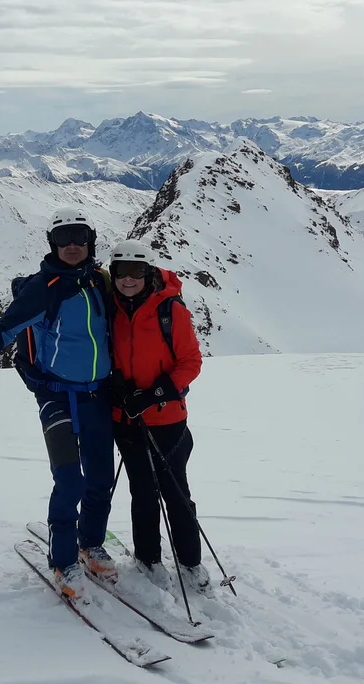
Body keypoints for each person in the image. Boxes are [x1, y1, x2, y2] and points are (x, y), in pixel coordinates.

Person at [0, 207, 118, 600]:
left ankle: (91, 544)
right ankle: (63, 561)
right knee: (70, 480)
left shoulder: (101, 282)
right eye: (63, 238)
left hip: (98, 394)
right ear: (52, 243)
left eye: (79, 237)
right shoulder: (43, 288)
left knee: (101, 479)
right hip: (56, 395)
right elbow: (3, 330)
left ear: (90, 241)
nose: (71, 245)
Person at [105, 239, 211, 593]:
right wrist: (116, 386)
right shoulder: (110, 307)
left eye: (136, 271)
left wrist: (155, 394)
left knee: (176, 492)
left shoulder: (170, 309)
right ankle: (148, 557)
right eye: (121, 271)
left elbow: (190, 362)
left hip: (167, 420)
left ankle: (190, 561)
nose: (128, 279)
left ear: (148, 273)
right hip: (126, 419)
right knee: (143, 492)